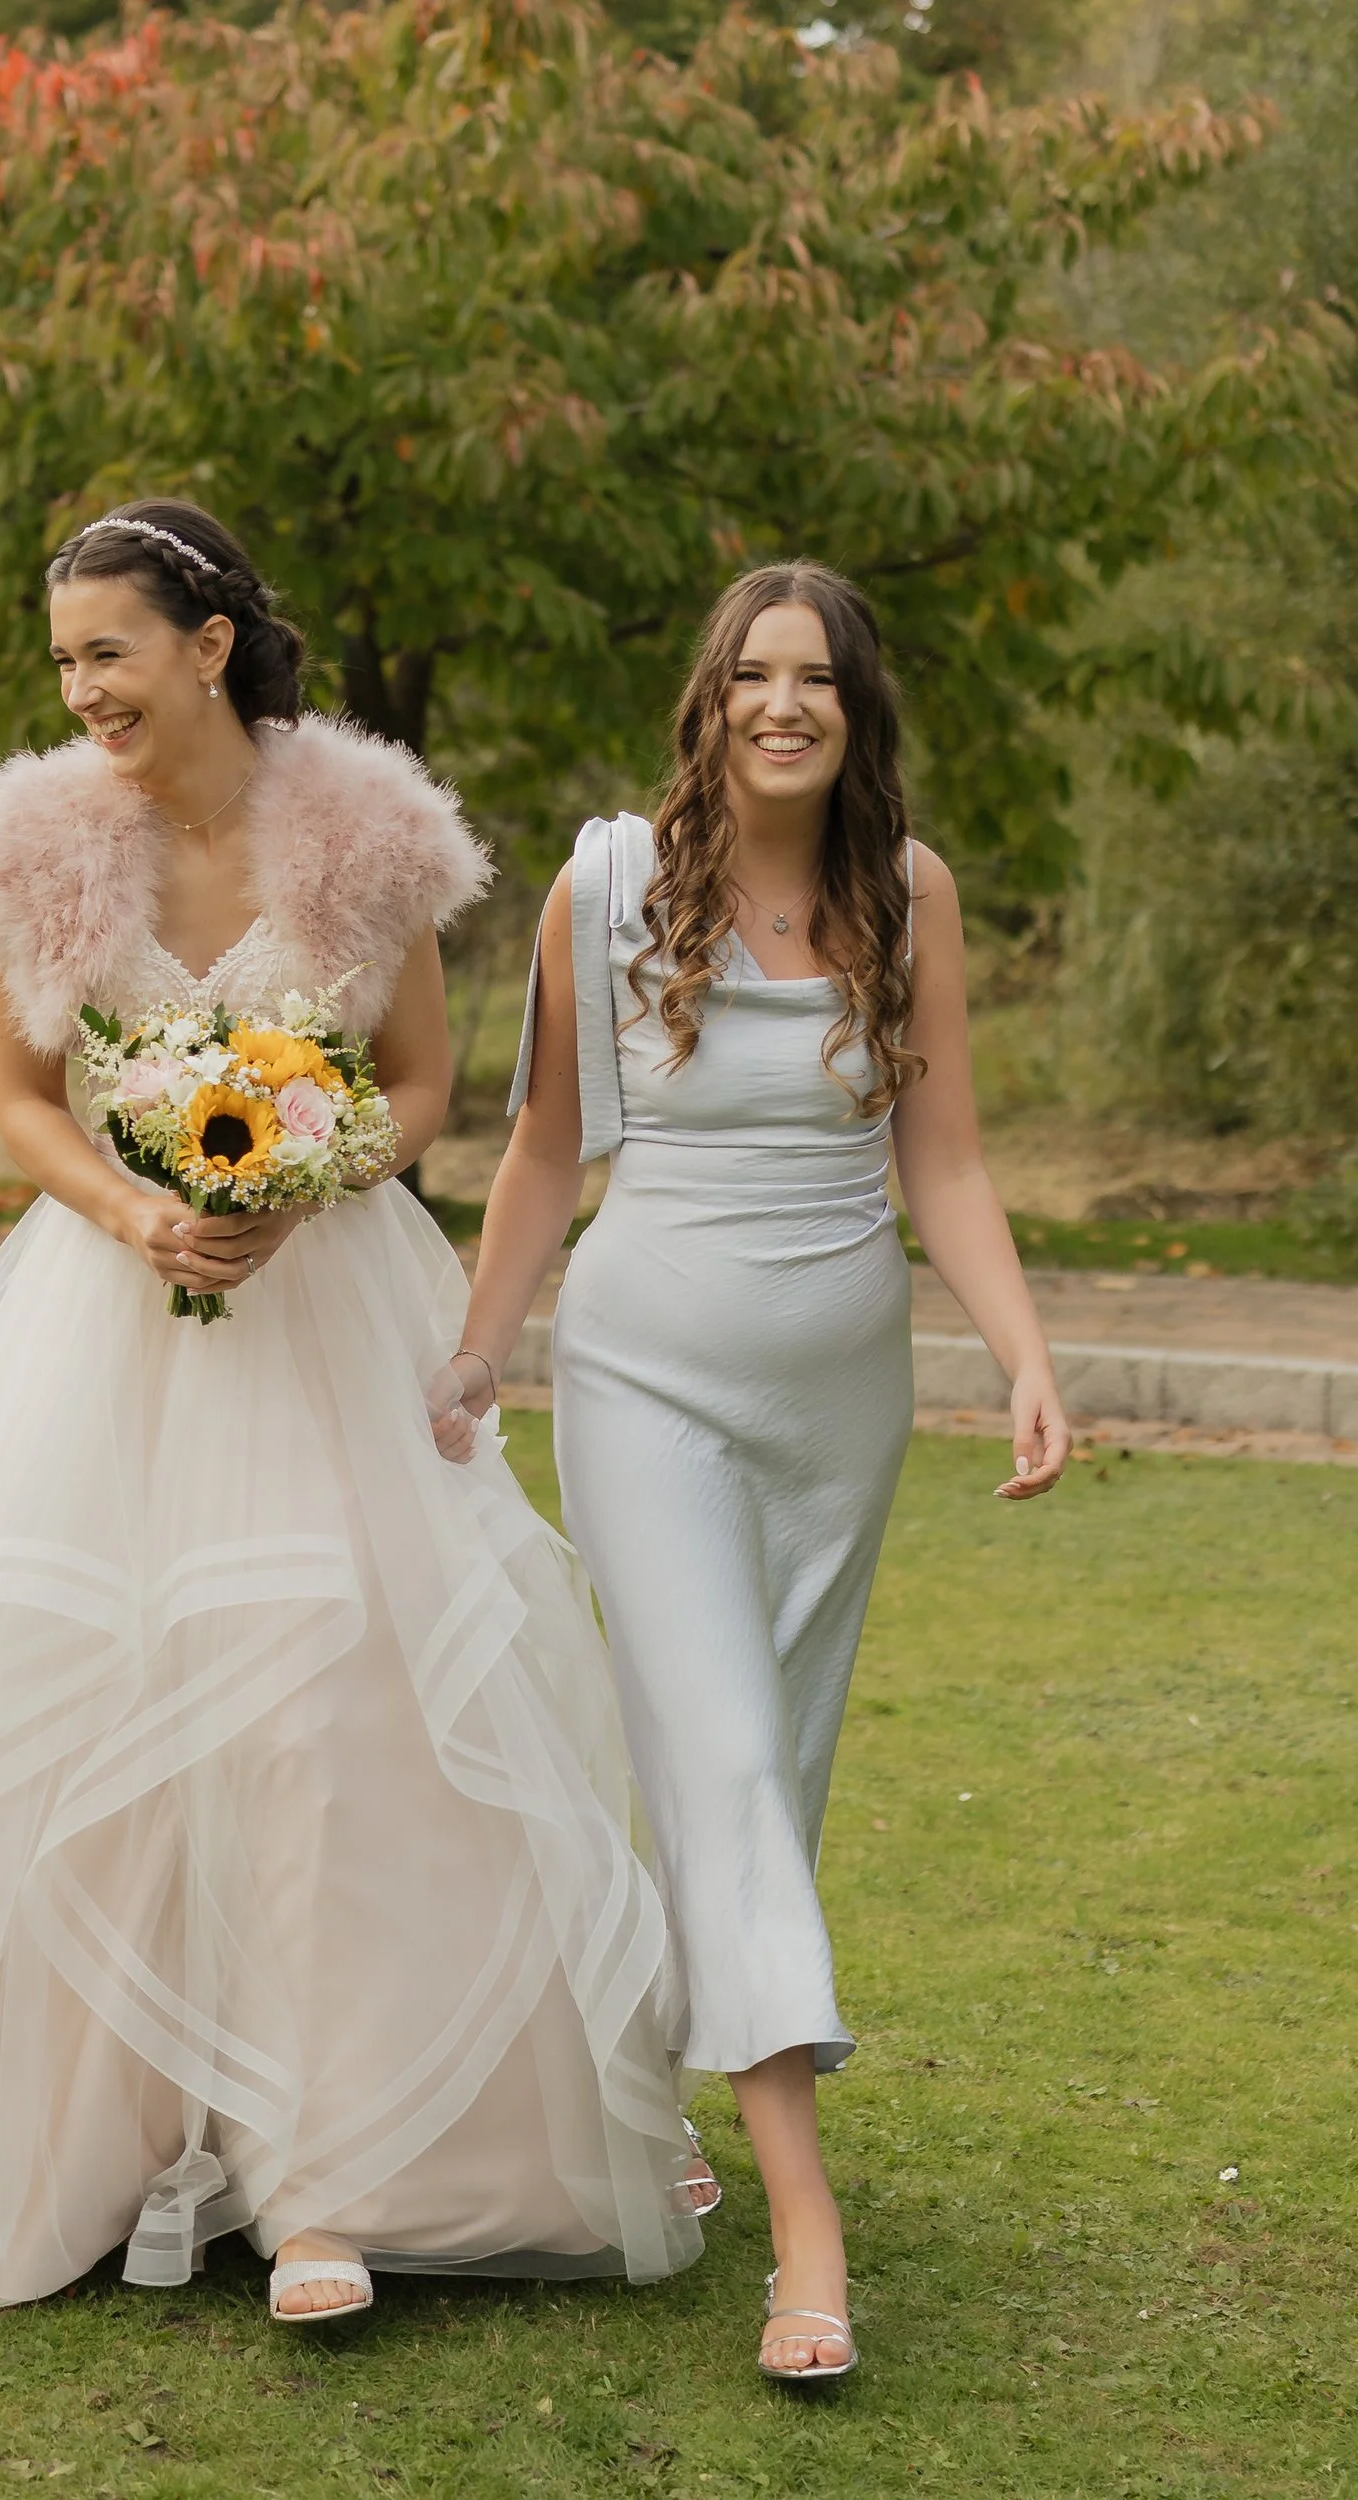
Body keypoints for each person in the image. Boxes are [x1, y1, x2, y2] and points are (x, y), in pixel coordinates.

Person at [0, 499, 706, 2321]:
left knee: (330, 1722)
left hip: (331, 1317)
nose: (83, 689)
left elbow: (430, 1077)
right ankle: (82, 2150)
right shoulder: (38, 849)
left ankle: (333, 2183)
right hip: (104, 1333)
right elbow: (23, 1102)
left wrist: (313, 1177)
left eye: (108, 650)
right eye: (64, 662)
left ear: (208, 643)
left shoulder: (370, 835)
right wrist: (138, 1214)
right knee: (79, 1710)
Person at [434, 561, 1070, 2382]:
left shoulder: (909, 893)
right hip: (645, 1383)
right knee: (715, 1760)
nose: (782, 703)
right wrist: (484, 1351)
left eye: (818, 679)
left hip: (840, 1404)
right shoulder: (609, 884)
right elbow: (550, 1149)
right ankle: (810, 2232)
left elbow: (941, 1159)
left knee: (761, 1784)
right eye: (751, 675)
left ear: (858, 712)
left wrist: (1023, 1355)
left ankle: (643, 2096)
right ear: (708, 701)